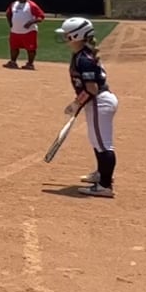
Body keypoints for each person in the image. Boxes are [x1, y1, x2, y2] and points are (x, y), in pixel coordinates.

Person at [57, 17, 118, 198]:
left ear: (76, 36)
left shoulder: (84, 59)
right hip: (96, 102)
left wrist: (76, 103)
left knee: (103, 144)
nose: (64, 37)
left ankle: (105, 185)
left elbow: (92, 89)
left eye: (67, 34)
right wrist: (79, 103)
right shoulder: (82, 54)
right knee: (96, 140)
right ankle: (101, 173)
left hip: (99, 102)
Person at [5, 0, 45, 69]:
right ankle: (13, 62)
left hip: (29, 32)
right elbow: (8, 13)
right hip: (15, 31)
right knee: (13, 47)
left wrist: (30, 22)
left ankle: (30, 64)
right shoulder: (14, 4)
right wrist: (10, 23)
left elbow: (41, 17)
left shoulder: (31, 5)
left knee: (31, 48)